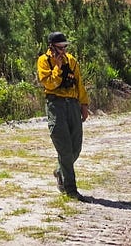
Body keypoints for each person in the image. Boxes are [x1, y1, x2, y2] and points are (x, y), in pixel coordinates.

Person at [37, 31, 90, 201]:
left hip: (73, 105)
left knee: (76, 147)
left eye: (65, 47)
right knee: (65, 149)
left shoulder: (72, 60)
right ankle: (70, 188)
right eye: (60, 47)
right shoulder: (44, 61)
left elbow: (79, 83)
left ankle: (60, 170)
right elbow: (49, 84)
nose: (63, 50)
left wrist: (84, 104)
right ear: (52, 47)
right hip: (56, 105)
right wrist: (57, 68)